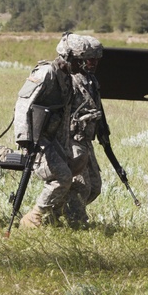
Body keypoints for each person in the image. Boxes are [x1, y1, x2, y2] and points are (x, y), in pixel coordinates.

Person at [13, 32, 83, 229]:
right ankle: (34, 218)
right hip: (37, 138)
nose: (84, 65)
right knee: (62, 177)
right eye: (80, 60)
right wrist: (24, 138)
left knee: (71, 172)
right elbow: (22, 104)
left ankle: (51, 217)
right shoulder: (46, 73)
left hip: (53, 138)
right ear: (67, 57)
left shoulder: (68, 77)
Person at [62, 35, 107, 228]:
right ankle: (76, 224)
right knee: (81, 186)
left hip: (86, 141)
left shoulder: (90, 80)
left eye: (96, 59)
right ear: (79, 59)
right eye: (90, 59)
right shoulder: (67, 81)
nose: (94, 63)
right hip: (71, 141)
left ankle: (60, 210)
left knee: (95, 187)